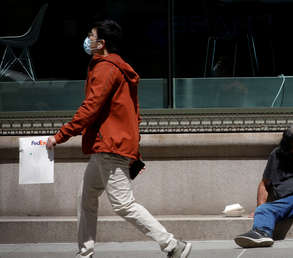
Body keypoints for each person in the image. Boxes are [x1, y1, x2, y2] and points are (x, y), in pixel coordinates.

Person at [46, 20, 191, 258]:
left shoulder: (105, 68)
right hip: (108, 146)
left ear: (101, 43)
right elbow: (132, 114)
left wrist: (60, 136)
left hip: (109, 147)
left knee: (124, 204)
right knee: (86, 197)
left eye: (91, 36)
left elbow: (90, 108)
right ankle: (85, 251)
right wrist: (133, 150)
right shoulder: (116, 67)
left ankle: (173, 245)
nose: (87, 39)